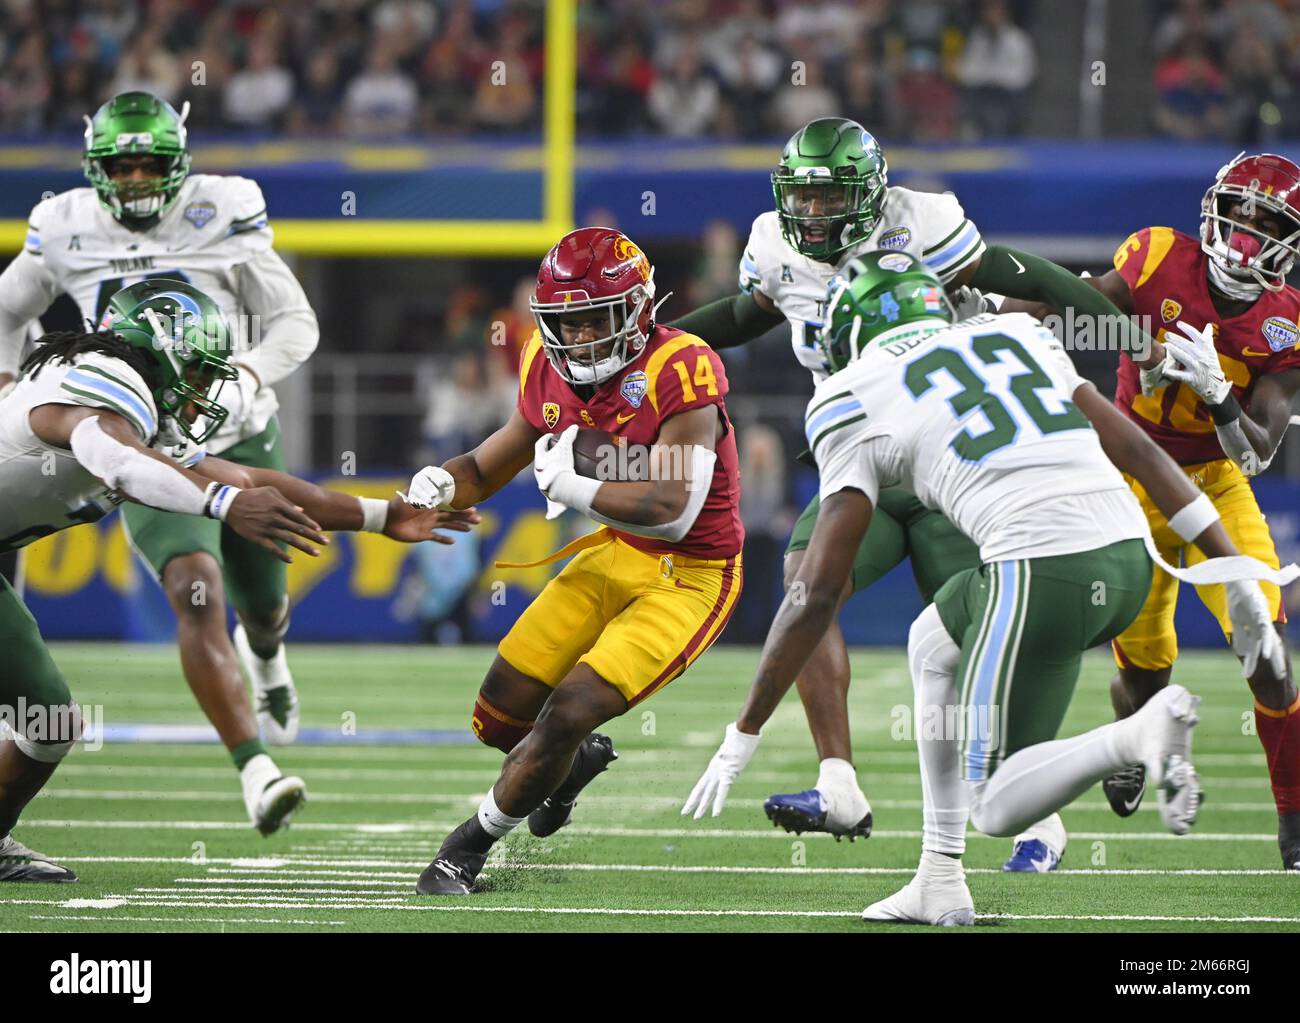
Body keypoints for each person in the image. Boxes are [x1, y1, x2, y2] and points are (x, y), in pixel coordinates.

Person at [682, 252, 1287, 924]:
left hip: (1040, 567)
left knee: (996, 803)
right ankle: (939, 877)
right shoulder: (1018, 336)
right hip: (1126, 551)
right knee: (931, 644)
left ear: (849, 331)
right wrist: (1232, 568)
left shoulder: (849, 394)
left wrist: (745, 730)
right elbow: (1142, 452)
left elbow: (816, 593)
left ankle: (1137, 734)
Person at [669, 116, 1161, 870]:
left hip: (951, 457)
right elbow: (746, 315)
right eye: (802, 198)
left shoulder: (922, 219)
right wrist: (658, 345)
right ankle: (840, 783)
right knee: (806, 590)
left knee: (981, 634)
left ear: (871, 195)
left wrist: (1120, 333)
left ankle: (1042, 811)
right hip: (862, 451)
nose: (813, 215)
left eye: (832, 198)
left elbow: (1021, 275)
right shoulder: (773, 241)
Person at [0, 280, 476, 879]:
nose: (204, 391)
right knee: (48, 719)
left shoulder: (137, 410)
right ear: (166, 352)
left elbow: (251, 481)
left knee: (49, 722)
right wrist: (221, 505)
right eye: (198, 372)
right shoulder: (102, 385)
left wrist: (382, 515)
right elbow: (118, 461)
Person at [0, 92, 322, 833]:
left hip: (230, 423)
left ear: (179, 165)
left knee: (264, 605)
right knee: (194, 586)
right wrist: (9, 382)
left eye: (151, 164)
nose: (138, 180)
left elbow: (295, 323)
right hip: (133, 431)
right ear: (95, 166)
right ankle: (255, 768)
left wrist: (242, 378)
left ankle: (267, 654)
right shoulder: (63, 224)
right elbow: (8, 308)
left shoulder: (224, 208)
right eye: (123, 165)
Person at [402, 227, 743, 895]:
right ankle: (568, 766)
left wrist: (573, 485)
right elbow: (484, 463)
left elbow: (673, 507)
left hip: (693, 575)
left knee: (569, 708)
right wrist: (437, 487)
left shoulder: (682, 366)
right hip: (617, 550)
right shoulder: (544, 363)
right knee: (499, 714)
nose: (581, 337)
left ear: (639, 308)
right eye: (568, 321)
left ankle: (464, 848)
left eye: (595, 318)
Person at [1003, 152, 1300, 871]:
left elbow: (1257, 451)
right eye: (1241, 213)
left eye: (1270, 224)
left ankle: (1294, 823)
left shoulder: (1285, 322)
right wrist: (1014, 320)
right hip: (1129, 475)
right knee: (1146, 673)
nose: (1249, 235)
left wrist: (1218, 392)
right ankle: (1131, 734)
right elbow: (1076, 302)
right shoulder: (1159, 256)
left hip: (1215, 481)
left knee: (1266, 652)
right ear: (1214, 209)